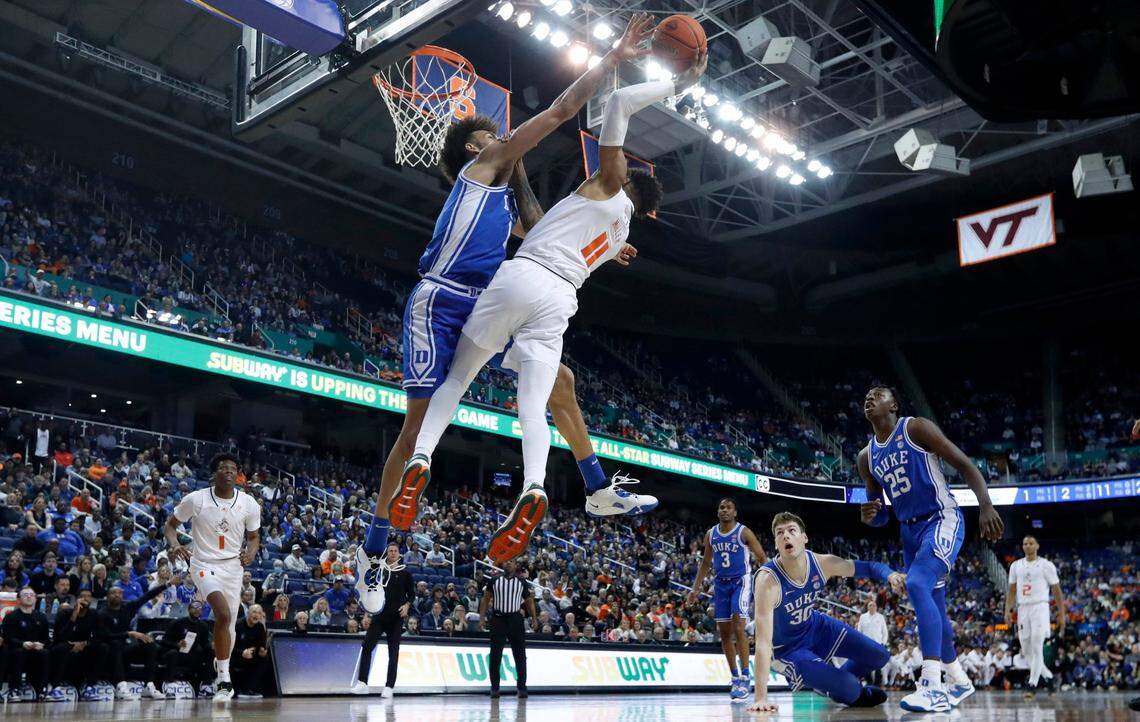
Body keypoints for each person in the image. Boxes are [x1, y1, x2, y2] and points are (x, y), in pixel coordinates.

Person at [355, 14, 663, 601]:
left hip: (493, 298)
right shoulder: (483, 165)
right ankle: (375, 545)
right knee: (418, 422)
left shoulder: (503, 195)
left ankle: (590, 484)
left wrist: (608, 245)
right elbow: (560, 112)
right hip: (440, 299)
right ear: (473, 148)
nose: (497, 136)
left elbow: (543, 231)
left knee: (560, 382)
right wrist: (612, 57)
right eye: (488, 135)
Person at [858, 386, 1004, 712]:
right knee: (934, 603)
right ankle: (959, 679)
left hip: (941, 518)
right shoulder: (866, 457)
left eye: (877, 394)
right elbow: (881, 514)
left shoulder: (915, 428)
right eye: (866, 396)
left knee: (917, 584)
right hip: (909, 532)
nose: (869, 398)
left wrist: (986, 506)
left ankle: (932, 684)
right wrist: (872, 516)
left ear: (893, 404)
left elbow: (963, 463)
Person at [748, 513, 899, 713]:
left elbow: (868, 567)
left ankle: (837, 685)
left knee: (880, 656)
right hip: (788, 649)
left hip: (817, 627)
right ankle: (846, 689)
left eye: (792, 530)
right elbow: (763, 641)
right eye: (780, 533)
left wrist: (890, 574)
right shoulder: (767, 581)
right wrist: (760, 697)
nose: (786, 536)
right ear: (776, 543)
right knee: (852, 688)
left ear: (804, 538)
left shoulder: (822, 563)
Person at [165, 452, 262, 701]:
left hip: (232, 567)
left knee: (228, 624)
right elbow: (170, 526)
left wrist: (250, 553)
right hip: (203, 564)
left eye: (233, 468)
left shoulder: (249, 503)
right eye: (223, 468)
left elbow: (253, 537)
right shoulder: (196, 499)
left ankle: (223, 677)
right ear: (214, 474)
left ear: (238, 474)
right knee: (223, 613)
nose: (228, 471)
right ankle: (224, 679)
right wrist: (175, 544)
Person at [687, 497, 768, 700]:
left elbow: (762, 557)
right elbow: (706, 563)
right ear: (718, 512)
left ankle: (746, 676)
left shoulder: (743, 532)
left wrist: (768, 581)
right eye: (721, 507)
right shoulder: (711, 535)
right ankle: (735, 678)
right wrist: (695, 589)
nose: (724, 510)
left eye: (728, 507)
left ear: (735, 513)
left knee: (739, 627)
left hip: (741, 582)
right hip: (721, 584)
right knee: (723, 634)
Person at [1004, 534, 1064, 697]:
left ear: (1037, 546)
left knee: (1037, 646)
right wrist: (1007, 610)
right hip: (1023, 608)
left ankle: (1032, 685)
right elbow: (1011, 591)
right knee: (1027, 651)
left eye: (1031, 543)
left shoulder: (1046, 565)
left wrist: (1061, 614)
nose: (1028, 546)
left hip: (1040, 607)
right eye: (1025, 543)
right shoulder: (1016, 566)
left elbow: (1057, 591)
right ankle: (1050, 680)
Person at [352, 543, 413, 698]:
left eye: (395, 551)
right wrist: (367, 612)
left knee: (393, 653)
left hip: (396, 618)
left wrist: (407, 605)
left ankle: (389, 687)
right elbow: (370, 592)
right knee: (366, 646)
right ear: (387, 553)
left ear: (399, 554)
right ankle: (362, 683)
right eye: (390, 551)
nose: (392, 553)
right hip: (379, 616)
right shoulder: (379, 570)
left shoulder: (406, 573)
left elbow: (412, 595)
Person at [97, 577, 172, 699]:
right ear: (107, 596)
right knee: (115, 643)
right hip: (109, 651)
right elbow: (104, 636)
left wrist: (168, 584)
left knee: (149, 644)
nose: (117, 595)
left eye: (119, 593)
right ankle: (120, 686)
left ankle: (149, 685)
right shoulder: (102, 613)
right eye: (113, 593)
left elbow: (147, 596)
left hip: (125, 650)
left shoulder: (127, 608)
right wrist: (129, 634)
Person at [479, 559, 537, 697]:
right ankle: (494, 688)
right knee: (495, 655)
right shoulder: (494, 580)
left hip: (515, 619)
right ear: (502, 564)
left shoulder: (522, 581)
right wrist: (481, 617)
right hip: (498, 619)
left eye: (511, 562)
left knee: (520, 655)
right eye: (506, 562)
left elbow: (529, 601)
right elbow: (486, 599)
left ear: (516, 565)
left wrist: (534, 618)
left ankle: (522, 687)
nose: (508, 563)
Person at [50, 590, 104, 698]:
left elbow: (100, 635)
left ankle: (90, 686)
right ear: (76, 599)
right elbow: (60, 637)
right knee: (62, 648)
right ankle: (55, 686)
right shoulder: (64, 614)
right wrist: (74, 615)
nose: (85, 599)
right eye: (82, 596)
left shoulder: (94, 614)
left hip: (84, 646)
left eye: (88, 596)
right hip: (64, 645)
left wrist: (85, 643)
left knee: (102, 647)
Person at [3, 587, 53, 701]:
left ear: (36, 599)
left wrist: (41, 644)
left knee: (45, 653)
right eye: (25, 595)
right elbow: (8, 638)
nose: (29, 596)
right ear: (19, 600)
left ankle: (42, 689)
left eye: (32, 594)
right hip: (17, 649)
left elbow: (46, 639)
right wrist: (22, 644)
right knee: (18, 652)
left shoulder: (41, 617)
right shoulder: (11, 617)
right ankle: (14, 689)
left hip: (35, 650)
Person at [160, 599, 214, 689]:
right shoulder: (177, 623)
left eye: (200, 608)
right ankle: (169, 684)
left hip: (192, 655)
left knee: (210, 652)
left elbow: (205, 644)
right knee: (173, 653)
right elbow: (164, 640)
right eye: (195, 607)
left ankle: (206, 684)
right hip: (177, 653)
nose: (197, 610)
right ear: (189, 609)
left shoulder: (203, 626)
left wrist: (212, 646)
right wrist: (177, 644)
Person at [231, 604, 269, 698]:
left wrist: (262, 652)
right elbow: (229, 647)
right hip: (236, 656)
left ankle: (249, 689)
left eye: (259, 613)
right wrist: (242, 653)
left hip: (251, 657)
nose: (256, 615)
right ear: (248, 613)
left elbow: (262, 647)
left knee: (265, 659)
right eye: (254, 612)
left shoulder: (260, 627)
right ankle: (236, 688)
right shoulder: (237, 625)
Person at [857, 600, 890, 685]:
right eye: (870, 605)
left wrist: (883, 643)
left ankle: (877, 683)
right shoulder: (863, 617)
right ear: (868, 607)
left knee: (878, 664)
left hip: (877, 644)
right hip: (866, 644)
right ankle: (869, 682)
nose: (872, 607)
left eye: (874, 605)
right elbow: (859, 631)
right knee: (866, 664)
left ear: (876, 607)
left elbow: (885, 632)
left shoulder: (880, 617)